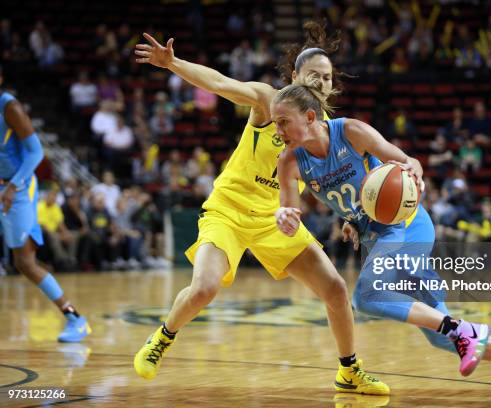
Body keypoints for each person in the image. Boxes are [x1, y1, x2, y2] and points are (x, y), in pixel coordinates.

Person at [132, 22, 389, 395]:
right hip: (229, 211)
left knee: (335, 288)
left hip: (276, 219)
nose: (320, 82)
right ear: (295, 76)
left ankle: (349, 371)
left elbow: (332, 185)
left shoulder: (329, 131)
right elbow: (219, 83)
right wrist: (173, 64)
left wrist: (353, 217)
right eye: (313, 75)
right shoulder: (269, 100)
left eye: (327, 77)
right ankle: (163, 336)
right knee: (204, 288)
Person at [272, 78, 491, 405]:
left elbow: (408, 162)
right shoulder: (289, 161)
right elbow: (289, 214)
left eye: (283, 121)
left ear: (310, 117)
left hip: (405, 226)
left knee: (367, 296)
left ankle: (463, 330)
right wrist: (288, 220)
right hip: (376, 237)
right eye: (275, 122)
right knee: (442, 339)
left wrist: (415, 171)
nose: (277, 129)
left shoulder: (350, 131)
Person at [0, 65, 90, 342]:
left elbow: (36, 152)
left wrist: (13, 186)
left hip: (18, 187)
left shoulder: (9, 107)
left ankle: (75, 317)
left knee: (25, 263)